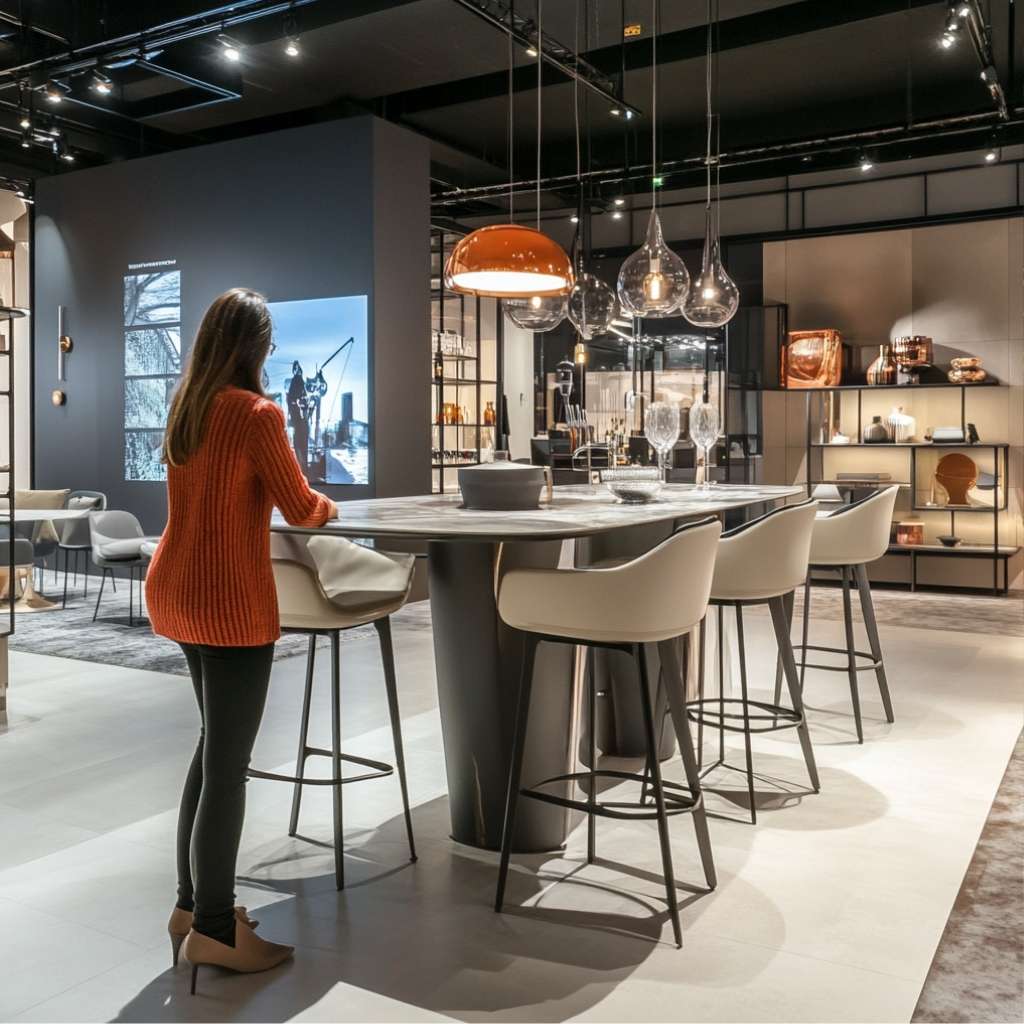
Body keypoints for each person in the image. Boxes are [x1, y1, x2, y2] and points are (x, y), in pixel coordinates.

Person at [146, 288, 337, 990]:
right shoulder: (258, 414)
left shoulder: (188, 406)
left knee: (212, 748)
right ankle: (219, 931)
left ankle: (191, 908)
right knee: (229, 765)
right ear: (256, 347)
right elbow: (302, 507)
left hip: (176, 590)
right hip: (228, 604)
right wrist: (331, 503)